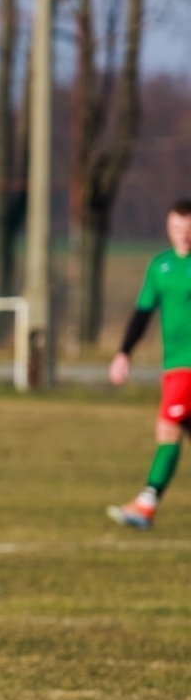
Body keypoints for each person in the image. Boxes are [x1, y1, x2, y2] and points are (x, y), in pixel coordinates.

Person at [106, 199, 191, 529]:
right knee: (176, 430)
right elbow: (142, 314)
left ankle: (146, 504)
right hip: (172, 366)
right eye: (178, 229)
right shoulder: (160, 266)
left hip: (188, 368)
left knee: (167, 430)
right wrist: (123, 352)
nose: (183, 235)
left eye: (188, 229)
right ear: (169, 229)